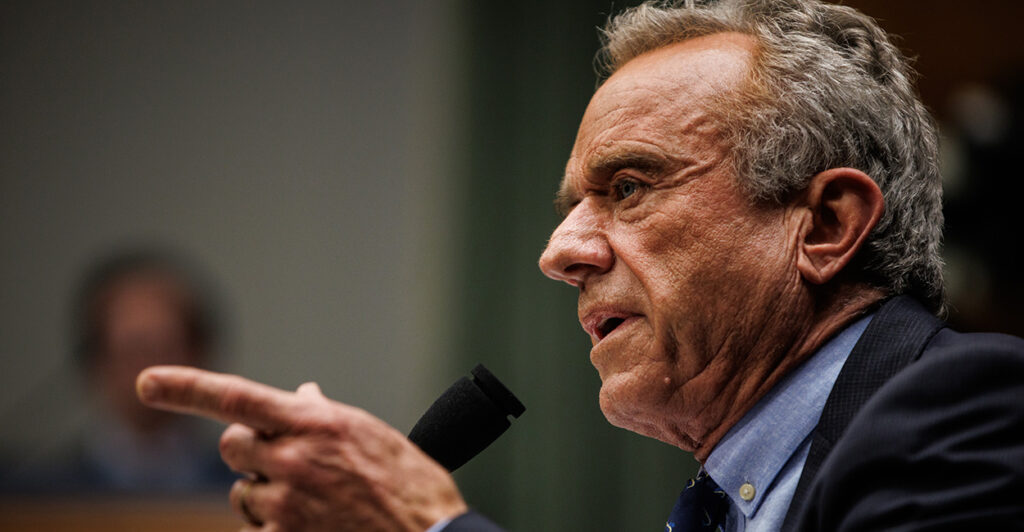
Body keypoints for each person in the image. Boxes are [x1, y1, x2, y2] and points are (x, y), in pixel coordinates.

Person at [135, 0, 1024, 530]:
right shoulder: (740, 491)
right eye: (573, 209)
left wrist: (430, 526)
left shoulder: (973, 413)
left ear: (825, 223)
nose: (560, 254)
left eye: (629, 187)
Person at [2, 249, 234, 494]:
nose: (150, 373)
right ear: (94, 360)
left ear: (200, 355)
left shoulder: (252, 496)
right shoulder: (31, 497)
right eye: (133, 348)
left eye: (161, 348)